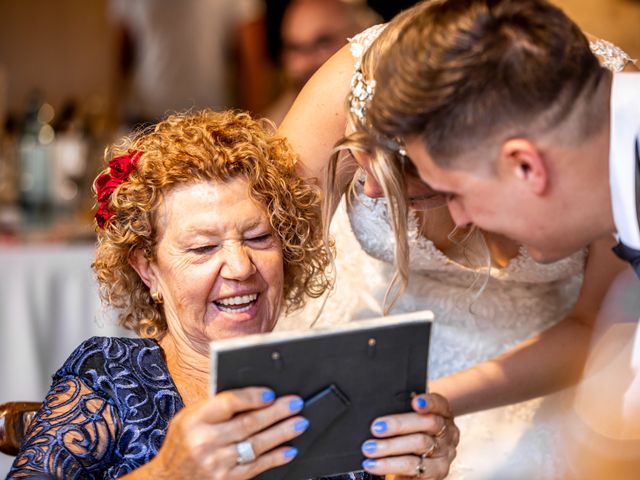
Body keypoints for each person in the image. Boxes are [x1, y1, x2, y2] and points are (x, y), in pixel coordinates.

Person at [277, 2, 633, 477]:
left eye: (453, 191)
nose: (459, 216)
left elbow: (605, 333)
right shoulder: (356, 83)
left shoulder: (597, 140)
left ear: (524, 164)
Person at [7, 110, 458, 479]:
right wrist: (167, 473)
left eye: (259, 238)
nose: (242, 268)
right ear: (149, 271)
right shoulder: (110, 378)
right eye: (203, 248)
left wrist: (416, 471)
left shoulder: (339, 378)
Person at [109, 0, 272, 127]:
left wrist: (256, 125)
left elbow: (252, 61)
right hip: (144, 118)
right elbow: (122, 53)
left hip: (207, 122)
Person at [264, 0, 379, 125]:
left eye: (323, 43)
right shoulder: (272, 130)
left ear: (361, 33)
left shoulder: (389, 111)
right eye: (294, 48)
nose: (306, 63)